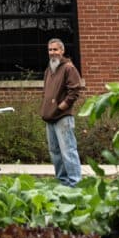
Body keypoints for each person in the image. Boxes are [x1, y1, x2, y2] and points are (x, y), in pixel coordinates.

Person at [40, 36, 84, 185]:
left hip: (63, 117)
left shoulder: (68, 68)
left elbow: (75, 91)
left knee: (68, 151)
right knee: (55, 153)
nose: (52, 52)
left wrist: (61, 107)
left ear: (62, 50)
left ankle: (75, 183)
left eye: (55, 49)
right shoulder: (49, 69)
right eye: (50, 50)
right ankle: (62, 181)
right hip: (49, 117)